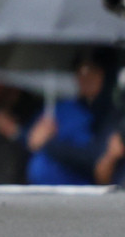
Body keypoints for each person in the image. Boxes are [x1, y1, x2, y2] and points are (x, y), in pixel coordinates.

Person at [25, 49, 119, 186]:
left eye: (91, 70)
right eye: (79, 71)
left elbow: (94, 158)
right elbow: (30, 138)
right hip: (45, 191)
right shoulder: (64, 108)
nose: (84, 77)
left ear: (106, 74)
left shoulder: (113, 114)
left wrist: (48, 143)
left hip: (81, 193)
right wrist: (28, 135)